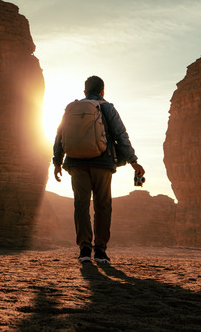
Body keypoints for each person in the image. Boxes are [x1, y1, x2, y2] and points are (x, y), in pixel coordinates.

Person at [52, 75, 144, 264]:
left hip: (76, 163)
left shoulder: (71, 109)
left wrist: (57, 162)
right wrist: (133, 161)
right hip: (102, 163)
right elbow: (121, 135)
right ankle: (100, 251)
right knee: (102, 206)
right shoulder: (107, 107)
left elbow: (59, 136)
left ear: (84, 92)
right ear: (102, 91)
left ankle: (84, 249)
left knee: (81, 205)